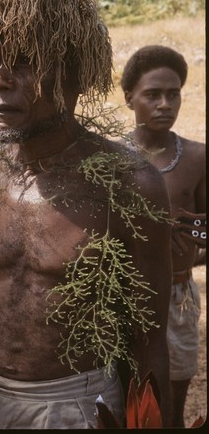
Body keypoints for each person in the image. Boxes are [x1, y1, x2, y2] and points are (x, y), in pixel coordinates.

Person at [0, 0, 172, 429]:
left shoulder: (131, 185)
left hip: (75, 407)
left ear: (76, 75)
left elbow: (148, 337)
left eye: (24, 61)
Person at [121, 45, 206, 427]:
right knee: (122, 394)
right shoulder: (108, 159)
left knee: (170, 398)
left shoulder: (197, 158)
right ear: (129, 99)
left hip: (176, 295)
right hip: (119, 295)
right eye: (152, 95)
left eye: (173, 94)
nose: (164, 104)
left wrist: (193, 240)